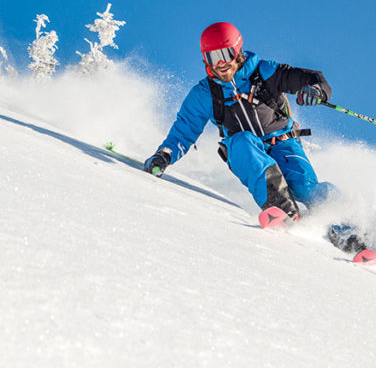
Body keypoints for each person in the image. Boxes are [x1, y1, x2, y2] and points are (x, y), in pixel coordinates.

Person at [143, 22, 335, 225]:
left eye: (225, 54)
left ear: (237, 50)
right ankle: (285, 213)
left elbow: (312, 78)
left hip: (284, 143)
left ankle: (349, 231)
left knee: (306, 187)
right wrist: (164, 155)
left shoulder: (264, 72)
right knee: (242, 141)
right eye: (212, 58)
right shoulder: (205, 93)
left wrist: (316, 89)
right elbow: (184, 130)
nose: (220, 64)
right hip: (245, 152)